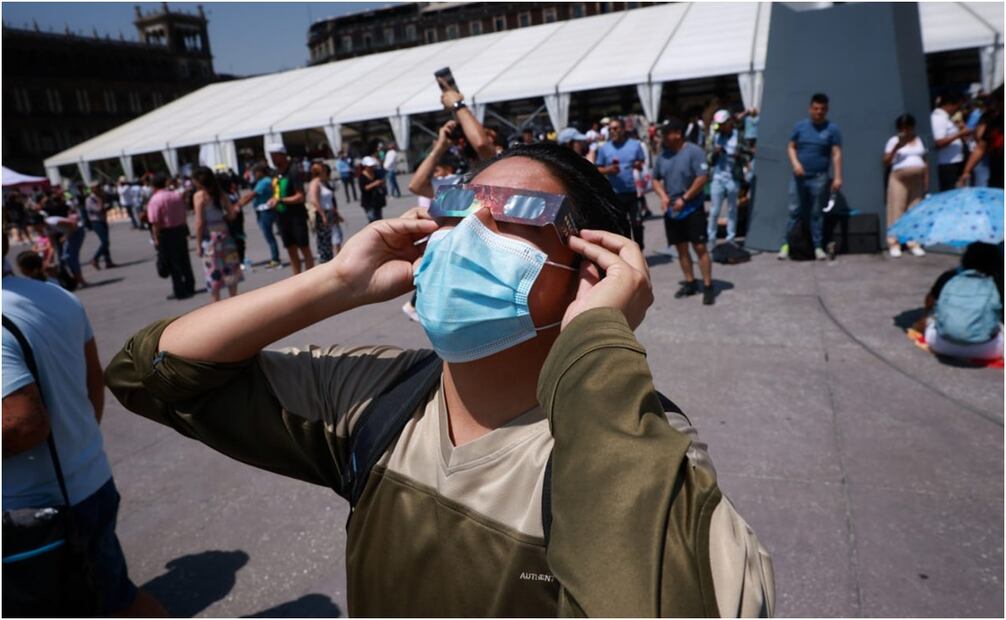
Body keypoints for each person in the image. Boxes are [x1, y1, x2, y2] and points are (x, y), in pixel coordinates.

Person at [105, 142, 773, 617]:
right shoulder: (380, 398)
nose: (466, 233)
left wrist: (598, 347)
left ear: (592, 270)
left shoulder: (635, 447)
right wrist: (335, 284)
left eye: (512, 213)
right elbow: (149, 375)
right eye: (456, 209)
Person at [2, 234, 166, 617]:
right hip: (87, 481)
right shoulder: (56, 295)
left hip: (32, 510)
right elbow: (95, 380)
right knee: (110, 595)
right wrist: (79, 447)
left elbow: (24, 424)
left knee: (112, 601)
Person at [405, 119, 464, 321]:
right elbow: (416, 185)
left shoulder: (485, 173)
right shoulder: (457, 182)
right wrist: (441, 146)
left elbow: (483, 145)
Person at [652, 118, 715, 306]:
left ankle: (708, 285)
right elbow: (655, 179)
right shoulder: (663, 156)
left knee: (700, 247)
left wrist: (685, 198)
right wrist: (663, 196)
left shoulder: (694, 152)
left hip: (692, 207)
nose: (663, 137)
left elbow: (702, 177)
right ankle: (690, 282)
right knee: (681, 249)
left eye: (666, 134)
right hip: (672, 210)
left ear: (677, 133)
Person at [778, 93, 843, 261]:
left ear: (827, 110)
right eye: (815, 108)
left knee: (816, 213)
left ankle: (818, 247)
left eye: (822, 109)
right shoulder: (800, 127)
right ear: (810, 109)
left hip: (819, 178)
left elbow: (836, 154)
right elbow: (791, 147)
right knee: (794, 211)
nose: (819, 112)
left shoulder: (832, 129)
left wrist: (837, 177)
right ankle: (786, 245)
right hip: (799, 177)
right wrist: (796, 164)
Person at [916, 242, 1003, 361]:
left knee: (931, 319)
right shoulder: (999, 281)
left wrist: (925, 315)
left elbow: (930, 300)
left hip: (941, 345)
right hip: (987, 350)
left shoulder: (949, 276)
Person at [595, 118, 647, 249]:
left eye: (616, 128)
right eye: (610, 129)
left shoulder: (635, 145)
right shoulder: (604, 149)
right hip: (615, 194)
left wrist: (638, 165)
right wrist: (608, 170)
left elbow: (642, 162)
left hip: (635, 193)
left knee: (637, 224)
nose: (613, 131)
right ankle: (627, 252)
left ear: (623, 129)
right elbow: (598, 169)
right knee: (621, 225)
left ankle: (639, 250)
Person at [192, 166, 242, 303]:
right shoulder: (220, 193)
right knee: (230, 270)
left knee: (213, 272)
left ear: (198, 181)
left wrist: (197, 244)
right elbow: (231, 215)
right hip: (225, 235)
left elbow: (199, 222)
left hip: (210, 238)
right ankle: (234, 302)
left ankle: (217, 304)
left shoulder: (199, 196)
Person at [883, 114, 929, 257]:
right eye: (902, 128)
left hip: (917, 180)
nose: (905, 131)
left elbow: (925, 161)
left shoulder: (919, 140)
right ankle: (894, 243)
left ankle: (913, 242)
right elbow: (885, 161)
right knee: (896, 210)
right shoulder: (893, 141)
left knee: (915, 211)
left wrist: (926, 181)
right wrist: (897, 147)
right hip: (899, 179)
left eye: (907, 127)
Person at [147, 172, 196, 300]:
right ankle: (190, 286)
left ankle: (179, 290)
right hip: (180, 230)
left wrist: (156, 238)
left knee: (173, 263)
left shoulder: (155, 199)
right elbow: (184, 214)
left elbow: (155, 222)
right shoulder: (176, 195)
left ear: (153, 186)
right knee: (185, 260)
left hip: (167, 233)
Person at [267, 144, 314, 275]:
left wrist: (281, 200)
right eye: (271, 156)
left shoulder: (293, 171)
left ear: (282, 155)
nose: (273, 159)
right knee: (290, 248)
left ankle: (310, 277)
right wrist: (273, 200)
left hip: (296, 217)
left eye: (275, 156)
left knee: (304, 248)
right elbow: (276, 192)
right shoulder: (275, 173)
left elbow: (300, 196)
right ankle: (296, 278)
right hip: (281, 217)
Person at [707, 109, 742, 249]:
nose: (721, 127)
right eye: (719, 125)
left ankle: (731, 238)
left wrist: (738, 156)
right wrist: (715, 153)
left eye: (723, 124)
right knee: (715, 210)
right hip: (718, 177)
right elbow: (709, 160)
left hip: (733, 177)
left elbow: (748, 154)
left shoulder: (738, 136)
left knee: (732, 209)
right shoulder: (715, 137)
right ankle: (711, 237)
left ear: (729, 122)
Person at [960, 85, 1004, 190]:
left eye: (999, 101)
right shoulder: (994, 122)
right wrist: (966, 171)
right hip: (997, 180)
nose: (996, 105)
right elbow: (981, 148)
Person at [239, 164, 281, 269]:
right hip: (262, 210)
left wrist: (238, 205)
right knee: (268, 236)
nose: (254, 175)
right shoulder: (262, 181)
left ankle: (275, 259)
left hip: (265, 210)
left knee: (269, 236)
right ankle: (275, 258)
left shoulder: (265, 181)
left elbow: (253, 195)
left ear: (261, 172)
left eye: (255, 173)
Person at [930, 90, 972, 192]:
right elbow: (939, 142)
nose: (958, 110)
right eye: (958, 106)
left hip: (954, 163)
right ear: (949, 104)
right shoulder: (938, 118)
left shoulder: (947, 118)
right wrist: (959, 134)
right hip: (947, 165)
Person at [307, 162, 342, 263]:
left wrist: (335, 213)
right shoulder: (315, 183)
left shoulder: (322, 182)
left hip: (329, 212)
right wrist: (322, 215)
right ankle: (324, 261)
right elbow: (314, 200)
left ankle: (328, 260)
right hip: (322, 213)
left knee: (329, 240)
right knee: (324, 241)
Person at [85, 182, 116, 270]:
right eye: (97, 187)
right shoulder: (90, 199)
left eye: (99, 187)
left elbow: (106, 207)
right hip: (96, 221)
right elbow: (98, 209)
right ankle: (95, 258)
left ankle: (108, 261)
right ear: (93, 189)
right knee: (105, 242)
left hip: (103, 220)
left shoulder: (101, 197)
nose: (99, 189)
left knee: (106, 241)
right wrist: (102, 202)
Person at [359, 156, 387, 223]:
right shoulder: (362, 176)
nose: (371, 167)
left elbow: (382, 179)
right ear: (365, 166)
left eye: (372, 166)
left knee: (379, 219)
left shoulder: (376, 173)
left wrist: (381, 182)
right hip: (368, 201)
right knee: (372, 220)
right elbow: (364, 188)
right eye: (369, 166)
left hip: (377, 200)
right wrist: (374, 184)